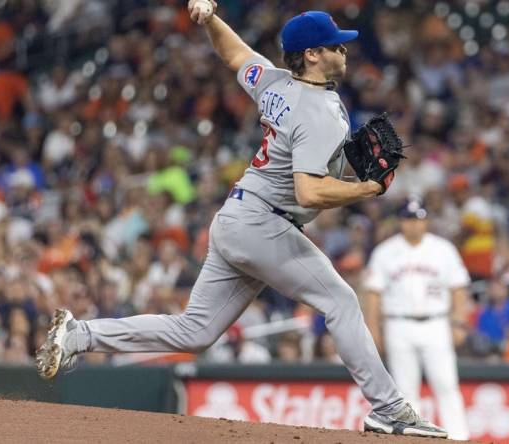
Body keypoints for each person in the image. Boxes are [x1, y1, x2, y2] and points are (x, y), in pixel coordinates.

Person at [35, 3, 446, 438]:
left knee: (194, 331)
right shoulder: (320, 110)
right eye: (334, 47)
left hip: (239, 218)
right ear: (311, 55)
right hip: (263, 224)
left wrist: (209, 19)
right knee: (341, 301)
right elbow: (310, 192)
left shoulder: (273, 82)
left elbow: (234, 55)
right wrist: (366, 190)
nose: (344, 52)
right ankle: (389, 409)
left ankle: (80, 335)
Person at [362, 197, 470, 439]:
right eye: (409, 219)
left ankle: (460, 437)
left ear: (426, 221)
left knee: (446, 385)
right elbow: (373, 295)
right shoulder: (385, 251)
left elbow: (459, 288)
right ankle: (414, 439)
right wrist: (373, 330)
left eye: (418, 219)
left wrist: (459, 322)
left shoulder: (443, 249)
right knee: (406, 390)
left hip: (436, 323)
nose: (413, 225)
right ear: (401, 221)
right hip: (397, 325)